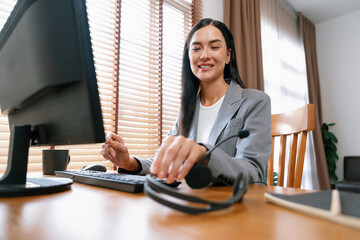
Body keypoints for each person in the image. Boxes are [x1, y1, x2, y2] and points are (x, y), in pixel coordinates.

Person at [101, 18, 272, 186]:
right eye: (196, 48)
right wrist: (129, 162)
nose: (204, 55)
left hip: (232, 206)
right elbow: (164, 159)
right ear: (189, 57)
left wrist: (203, 154)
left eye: (214, 47)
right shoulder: (187, 109)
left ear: (228, 55)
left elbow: (253, 171)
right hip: (192, 201)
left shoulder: (255, 102)